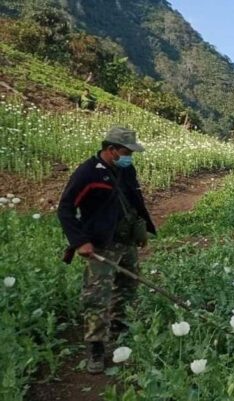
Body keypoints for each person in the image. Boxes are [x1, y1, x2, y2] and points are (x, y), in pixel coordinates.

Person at [57, 126, 156, 374]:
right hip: (101, 244)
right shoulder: (87, 173)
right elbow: (65, 209)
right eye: (126, 152)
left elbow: (134, 202)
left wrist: (140, 233)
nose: (129, 158)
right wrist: (80, 241)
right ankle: (96, 348)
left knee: (127, 288)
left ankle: (121, 334)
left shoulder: (126, 169)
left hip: (126, 240)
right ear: (110, 150)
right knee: (96, 297)